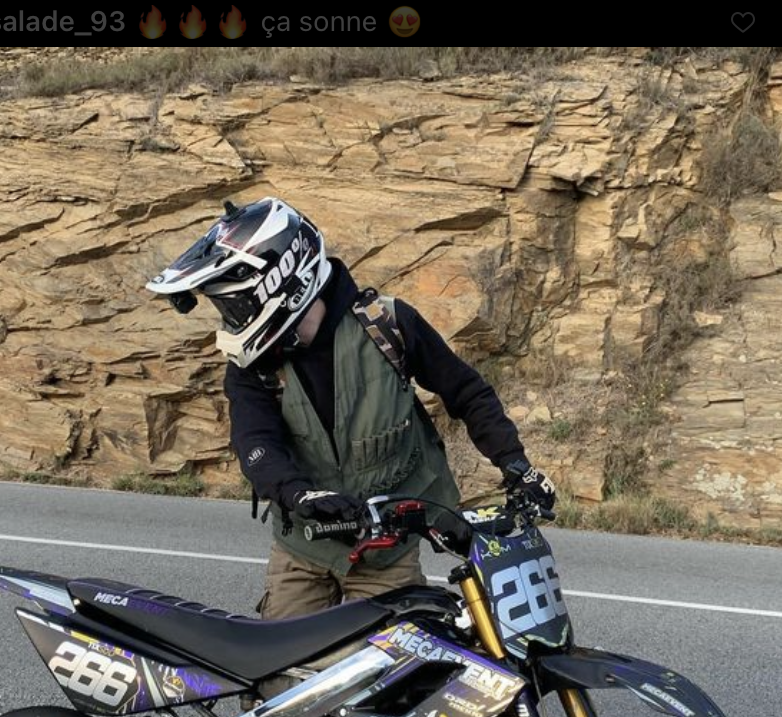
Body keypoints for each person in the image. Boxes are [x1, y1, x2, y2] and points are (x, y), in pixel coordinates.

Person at [147, 197, 555, 620]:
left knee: (398, 658)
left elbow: (467, 393)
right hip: (303, 546)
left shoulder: (387, 325)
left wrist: (515, 464)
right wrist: (301, 494)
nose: (232, 320)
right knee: (284, 658)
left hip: (387, 552)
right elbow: (256, 444)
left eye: (236, 306)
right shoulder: (253, 366)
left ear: (281, 282)